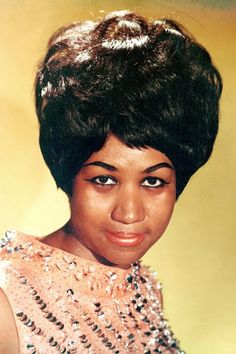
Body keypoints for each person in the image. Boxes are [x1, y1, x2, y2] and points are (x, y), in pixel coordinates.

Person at [0, 10, 222, 354]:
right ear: (69, 171)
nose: (129, 213)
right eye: (104, 179)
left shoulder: (145, 291)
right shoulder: (7, 297)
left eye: (153, 182)